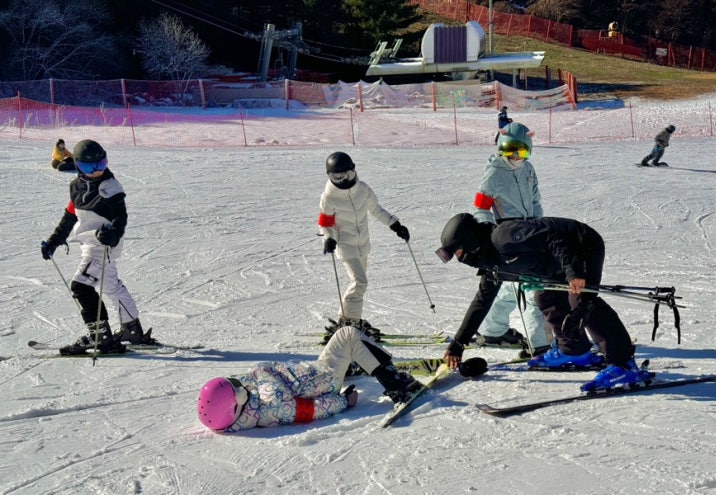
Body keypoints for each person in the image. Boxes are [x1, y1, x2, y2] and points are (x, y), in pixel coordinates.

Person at [435, 213, 652, 392]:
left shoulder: (503, 236)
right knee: (546, 297)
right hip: (555, 263)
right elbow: (481, 302)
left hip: (582, 245)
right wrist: (458, 343)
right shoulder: (491, 265)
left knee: (582, 300)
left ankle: (624, 364)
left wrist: (573, 272)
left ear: (470, 242)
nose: (461, 260)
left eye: (459, 253)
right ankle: (574, 350)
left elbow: (554, 238)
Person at [40, 139, 158, 355]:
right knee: (112, 287)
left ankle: (100, 338)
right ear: (78, 165)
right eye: (89, 166)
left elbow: (121, 217)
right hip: (89, 243)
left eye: (101, 164)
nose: (96, 170)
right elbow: (70, 217)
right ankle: (132, 330)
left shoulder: (110, 187)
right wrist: (54, 241)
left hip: (103, 245)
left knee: (80, 287)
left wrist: (114, 235)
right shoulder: (76, 187)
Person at [197, 326, 423, 432]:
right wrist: (344, 402)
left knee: (344, 344)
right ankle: (397, 385)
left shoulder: (248, 401)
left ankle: (354, 362)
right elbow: (311, 410)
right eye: (236, 386)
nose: (239, 382)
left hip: (313, 374)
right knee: (347, 335)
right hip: (325, 378)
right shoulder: (272, 407)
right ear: (236, 400)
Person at [471, 122, 550, 357]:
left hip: (530, 231)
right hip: (508, 233)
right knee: (530, 286)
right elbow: (481, 207)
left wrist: (540, 227)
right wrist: (489, 233)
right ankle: (539, 343)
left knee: (510, 285)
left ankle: (492, 330)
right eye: (509, 150)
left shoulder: (528, 169)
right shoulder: (495, 172)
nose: (515, 157)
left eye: (521, 151)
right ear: (500, 148)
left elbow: (535, 200)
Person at [318, 151, 410, 333]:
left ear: (353, 170)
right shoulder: (329, 197)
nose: (343, 180)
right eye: (337, 176)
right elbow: (325, 223)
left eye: (347, 174)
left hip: (363, 245)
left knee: (357, 283)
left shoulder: (363, 190)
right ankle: (351, 321)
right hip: (345, 244)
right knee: (360, 282)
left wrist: (395, 225)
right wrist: (328, 238)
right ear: (330, 175)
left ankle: (346, 318)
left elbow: (376, 210)